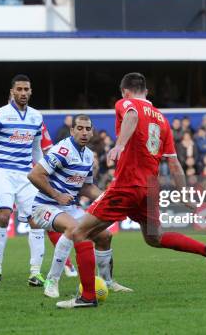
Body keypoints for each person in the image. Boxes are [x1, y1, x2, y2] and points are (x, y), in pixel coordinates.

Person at [55, 73, 206, 309]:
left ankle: (87, 297)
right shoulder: (162, 119)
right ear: (146, 91)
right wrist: (184, 193)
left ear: (125, 91)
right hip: (149, 189)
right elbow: (174, 163)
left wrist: (119, 145)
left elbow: (132, 115)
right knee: (155, 238)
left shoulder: (127, 104)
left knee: (79, 233)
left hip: (127, 185)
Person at [27, 115, 132, 299]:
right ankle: (52, 281)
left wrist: (106, 198)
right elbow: (35, 175)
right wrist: (57, 195)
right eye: (80, 128)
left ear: (92, 132)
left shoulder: (88, 155)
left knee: (104, 236)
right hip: (44, 207)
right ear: (72, 130)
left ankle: (107, 281)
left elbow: (86, 186)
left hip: (69, 208)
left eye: (87, 129)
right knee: (73, 228)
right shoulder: (62, 150)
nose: (84, 132)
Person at [0, 74, 46, 289]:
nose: (23, 93)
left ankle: (35, 273)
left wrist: (46, 170)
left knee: (37, 220)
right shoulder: (1, 114)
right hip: (3, 173)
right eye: (20, 89)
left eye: (27, 89)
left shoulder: (36, 117)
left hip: (26, 175)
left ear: (31, 91)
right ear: (12, 92)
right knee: (4, 216)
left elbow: (37, 150)